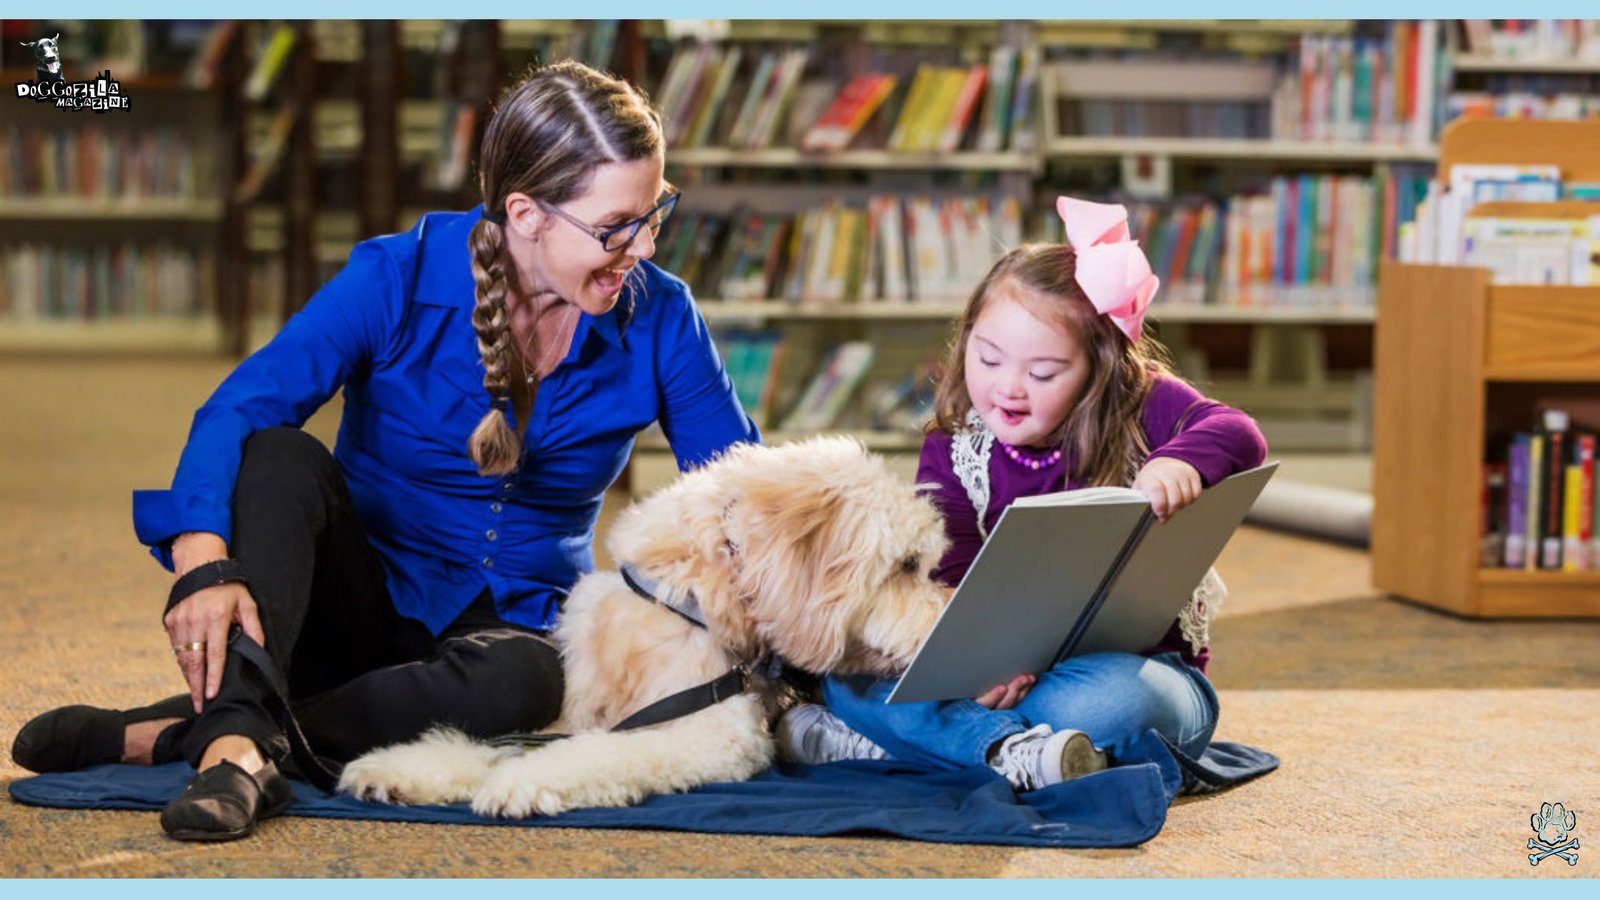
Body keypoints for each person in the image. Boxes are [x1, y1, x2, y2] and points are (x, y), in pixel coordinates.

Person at [9, 60, 758, 841]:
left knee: (527, 681)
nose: (641, 247)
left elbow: (743, 487)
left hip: (513, 636)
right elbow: (239, 406)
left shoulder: (662, 314)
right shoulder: (395, 276)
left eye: (655, 212)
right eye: (615, 226)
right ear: (526, 213)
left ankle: (204, 740)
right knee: (276, 454)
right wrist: (206, 565)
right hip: (354, 607)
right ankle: (234, 738)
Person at [777, 196, 1267, 793]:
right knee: (842, 673)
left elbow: (1240, 433)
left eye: (1042, 374)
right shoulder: (955, 448)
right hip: (991, 676)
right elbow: (946, 573)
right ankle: (1011, 751)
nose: (1007, 387)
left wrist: (1178, 462)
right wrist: (982, 662)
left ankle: (908, 745)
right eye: (987, 358)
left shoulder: (1144, 404)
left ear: (1099, 370)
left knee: (1112, 706)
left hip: (1128, 671)